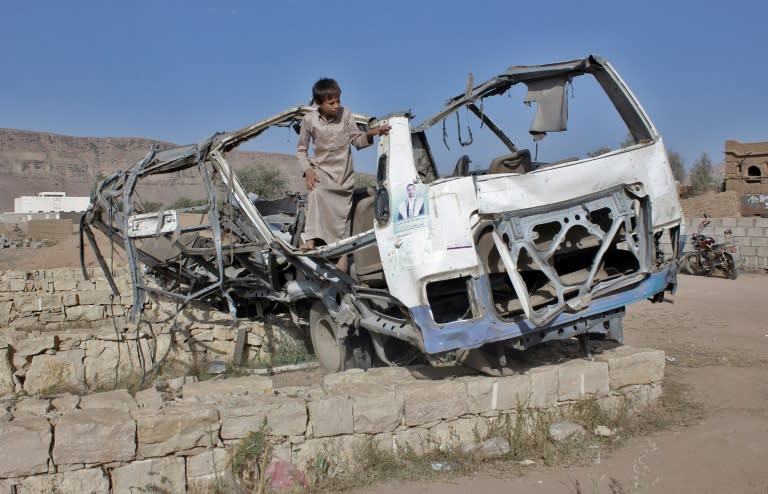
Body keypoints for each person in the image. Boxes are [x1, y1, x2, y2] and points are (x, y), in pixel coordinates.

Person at [296, 78, 390, 271]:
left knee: (343, 215)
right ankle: (311, 238)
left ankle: (343, 257)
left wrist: (371, 134)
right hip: (321, 171)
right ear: (319, 103)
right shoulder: (309, 120)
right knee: (315, 192)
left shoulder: (346, 114)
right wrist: (308, 170)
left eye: (338, 101)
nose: (336, 105)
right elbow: (301, 150)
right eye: (331, 103)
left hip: (343, 174)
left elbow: (356, 141)